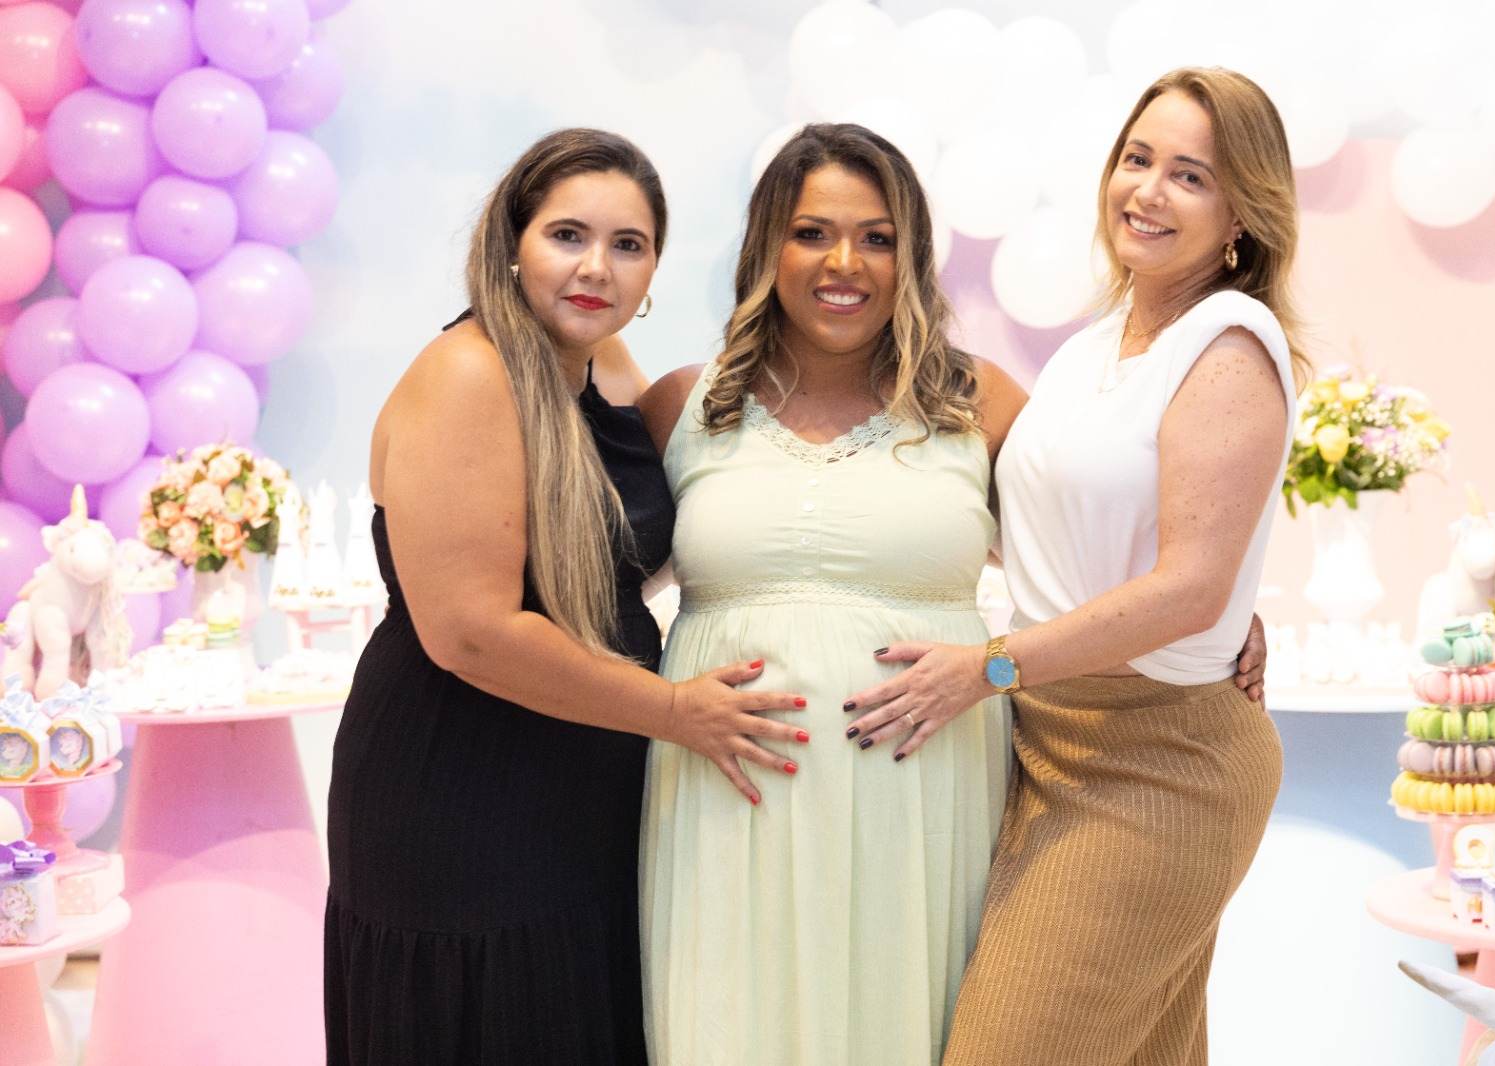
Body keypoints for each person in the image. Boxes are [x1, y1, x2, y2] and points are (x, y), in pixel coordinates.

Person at [633, 122, 1270, 1065]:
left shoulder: (979, 401)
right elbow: (594, 584)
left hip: (925, 801)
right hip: (725, 801)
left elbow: (1095, 536)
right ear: (768, 246)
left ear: (913, 257)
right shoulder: (684, 404)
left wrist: (1230, 607)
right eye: (811, 233)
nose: (844, 263)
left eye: (878, 238)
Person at [837, 69, 1308, 1066]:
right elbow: (1046, 532)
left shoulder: (1228, 347)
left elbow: (1189, 589)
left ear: (1241, 213)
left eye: (1190, 175)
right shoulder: (1099, 346)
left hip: (1162, 761)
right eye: (1138, 159)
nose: (1148, 191)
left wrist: (988, 666)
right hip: (1053, 744)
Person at [323, 128, 805, 1066]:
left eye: (628, 245)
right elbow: (470, 634)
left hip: (582, 785)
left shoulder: (605, 367)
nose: (596, 268)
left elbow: (635, 547)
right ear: (512, 242)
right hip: (459, 786)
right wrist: (675, 711)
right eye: (568, 236)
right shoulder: (469, 373)